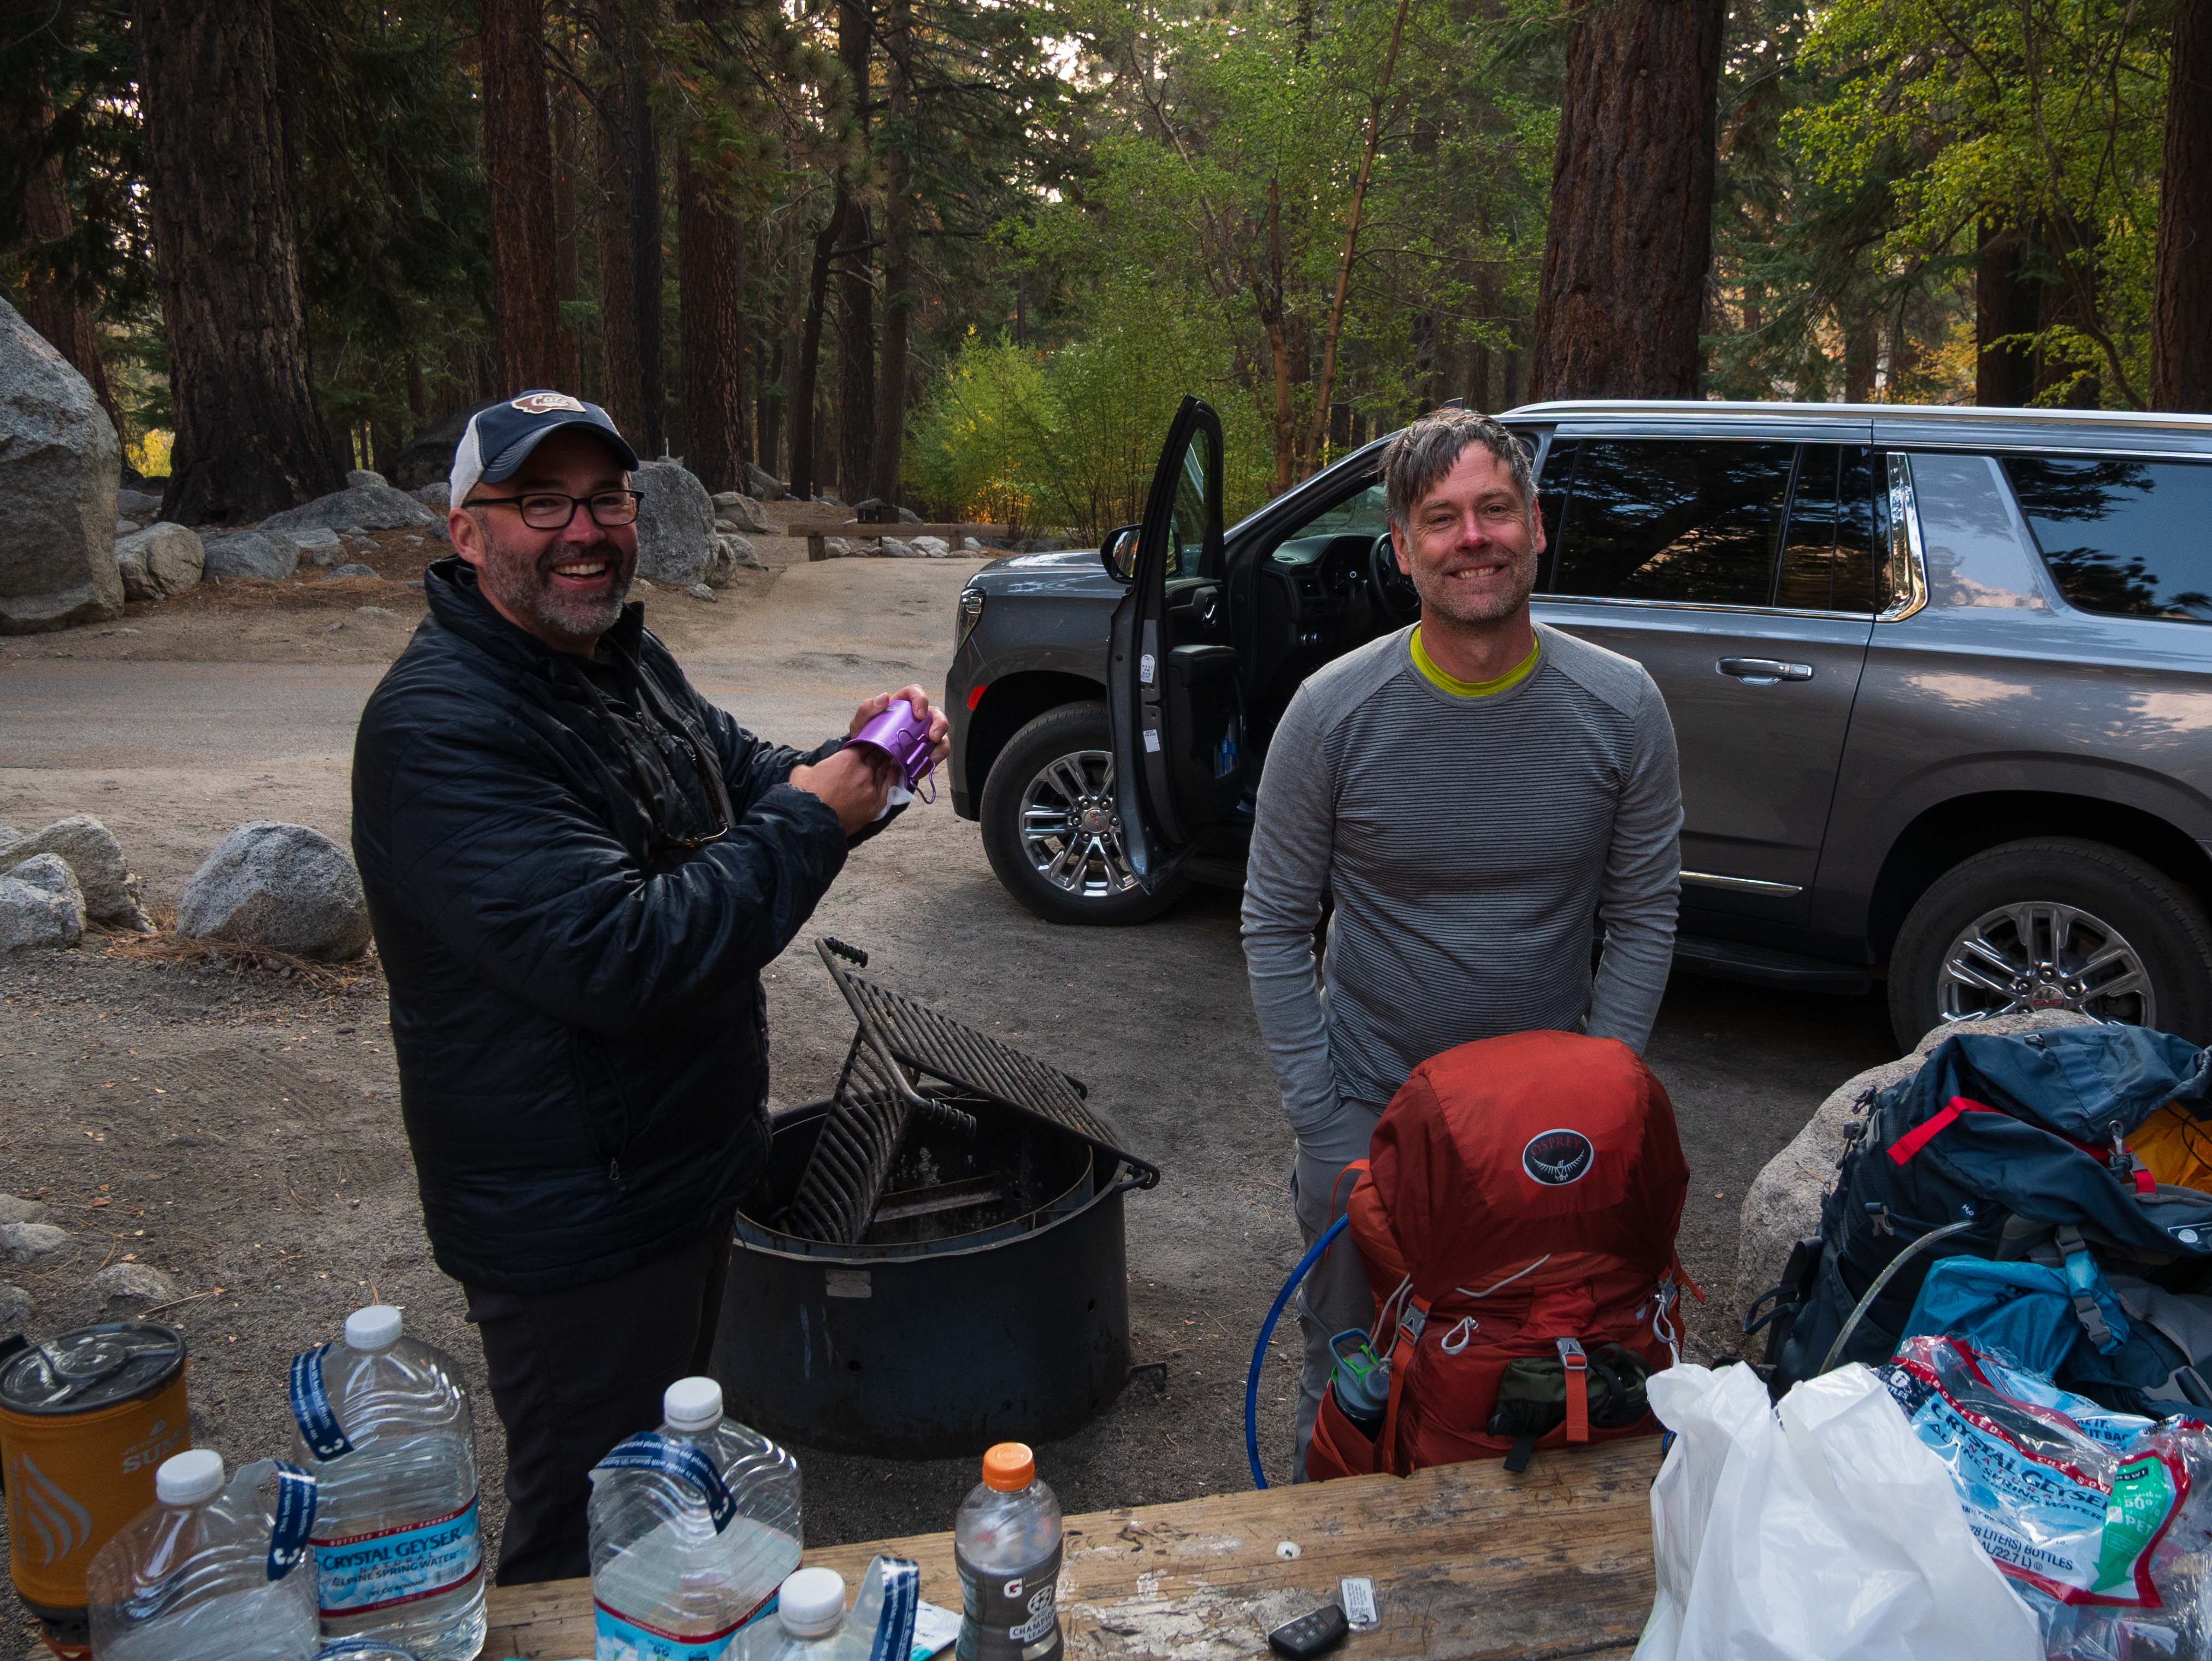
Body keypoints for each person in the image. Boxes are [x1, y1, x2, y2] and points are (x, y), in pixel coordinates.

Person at [350, 390, 946, 1581]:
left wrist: (860, 765)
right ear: (466, 532)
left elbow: (749, 783)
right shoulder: (440, 728)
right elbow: (623, 951)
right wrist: (811, 815)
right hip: (573, 1226)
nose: (584, 528)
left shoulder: (619, 658)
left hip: (676, 1176)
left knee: (663, 1499)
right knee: (586, 1531)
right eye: (541, 501)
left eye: (607, 497)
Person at [1239, 408, 1682, 1479]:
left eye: (1494, 510)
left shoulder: (1622, 708)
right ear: (1402, 549)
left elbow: (1645, 914)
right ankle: (1331, 1564)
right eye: (1441, 518)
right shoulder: (1331, 714)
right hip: (1371, 1116)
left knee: (1537, 1365)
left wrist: (1605, 1095)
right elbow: (1272, 920)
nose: (1471, 537)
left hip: (1549, 1133)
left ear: (1537, 527)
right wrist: (1326, 1119)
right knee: (1353, 1372)